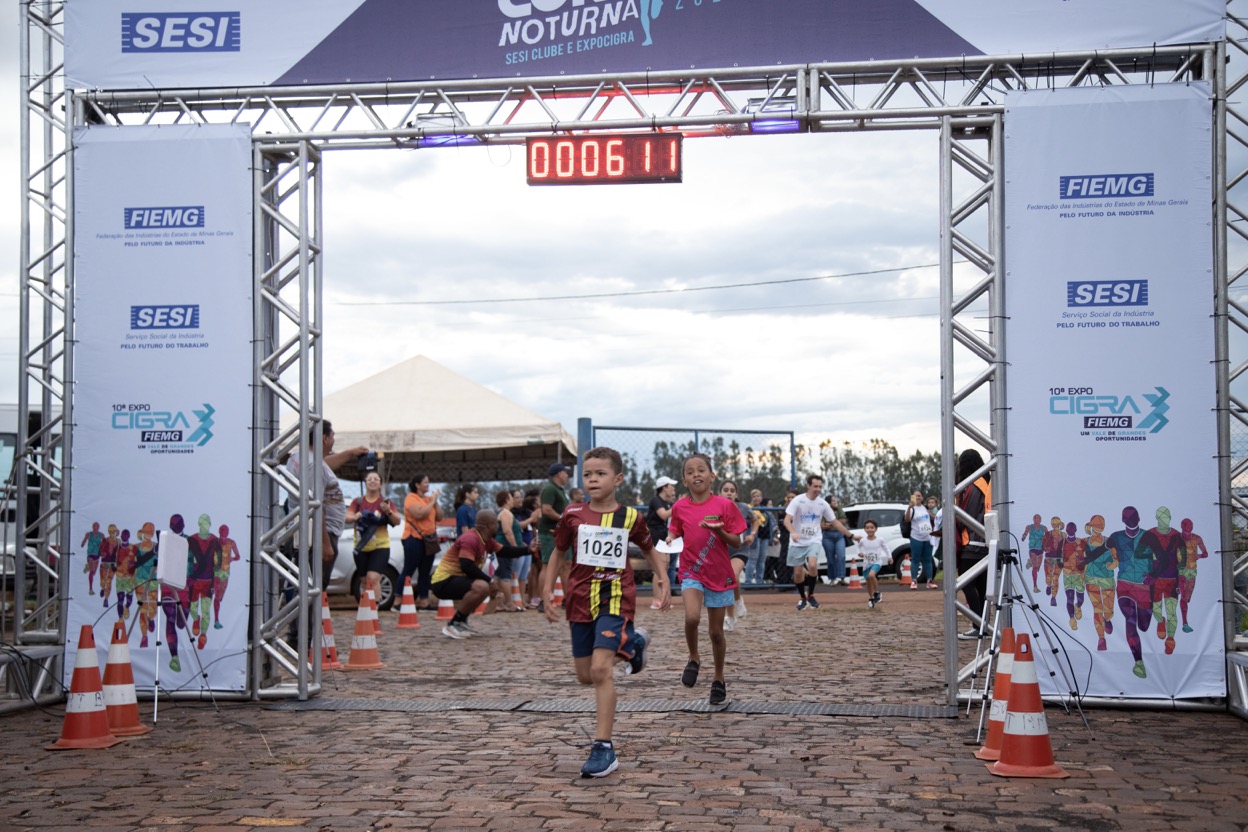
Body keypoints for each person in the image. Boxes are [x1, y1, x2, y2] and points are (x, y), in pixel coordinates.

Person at [542, 446, 669, 778]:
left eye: (601, 473)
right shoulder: (572, 514)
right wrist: (547, 589)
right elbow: (558, 553)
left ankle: (603, 747)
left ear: (618, 478)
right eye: (587, 474)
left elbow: (648, 548)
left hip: (615, 597)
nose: (593, 479)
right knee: (586, 675)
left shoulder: (631, 517)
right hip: (579, 600)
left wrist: (663, 577)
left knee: (601, 670)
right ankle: (634, 644)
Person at [666, 452, 745, 706]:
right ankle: (694, 657)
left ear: (712, 476)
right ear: (684, 480)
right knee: (691, 617)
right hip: (691, 570)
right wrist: (670, 539)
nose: (696, 475)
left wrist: (720, 531)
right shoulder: (679, 507)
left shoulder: (725, 506)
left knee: (716, 633)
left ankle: (719, 678)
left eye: (701, 470)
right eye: (690, 472)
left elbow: (737, 541)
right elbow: (675, 530)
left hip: (719, 574)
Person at [285, 420, 368, 592]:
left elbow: (325, 465)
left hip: (309, 532)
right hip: (318, 534)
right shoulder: (312, 465)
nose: (333, 440)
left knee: (307, 587)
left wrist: (350, 453)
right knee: (313, 589)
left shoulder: (299, 458)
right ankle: (309, 612)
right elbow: (314, 505)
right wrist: (325, 542)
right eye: (332, 436)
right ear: (324, 438)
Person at [431, 509, 532, 639]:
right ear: (489, 525)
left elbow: (505, 551)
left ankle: (461, 621)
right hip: (442, 582)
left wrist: (528, 549)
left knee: (483, 587)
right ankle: (453, 624)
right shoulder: (471, 538)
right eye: (496, 523)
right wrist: (490, 581)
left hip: (455, 579)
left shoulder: (486, 540)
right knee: (482, 586)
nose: (498, 526)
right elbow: (466, 565)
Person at [784, 475, 855, 609]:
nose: (817, 489)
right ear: (808, 486)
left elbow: (835, 522)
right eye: (815, 486)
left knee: (812, 565)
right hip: (797, 541)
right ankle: (802, 598)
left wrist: (851, 535)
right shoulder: (798, 500)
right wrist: (793, 532)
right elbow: (787, 520)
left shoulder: (823, 504)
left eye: (820, 487)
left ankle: (810, 595)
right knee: (798, 573)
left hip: (814, 539)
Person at [952, 449, 992, 639]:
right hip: (984, 541)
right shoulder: (986, 482)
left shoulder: (973, 485)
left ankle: (979, 626)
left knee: (967, 584)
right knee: (982, 588)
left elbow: (964, 515)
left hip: (973, 542)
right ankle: (984, 627)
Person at [346, 471, 401, 606]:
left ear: (380, 484)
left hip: (380, 547)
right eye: (369, 479)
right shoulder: (358, 502)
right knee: (365, 581)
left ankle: (374, 609)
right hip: (361, 547)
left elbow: (397, 521)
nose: (372, 481)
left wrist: (388, 511)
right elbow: (347, 517)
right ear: (365, 483)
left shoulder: (386, 502)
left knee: (373, 578)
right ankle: (369, 607)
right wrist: (355, 517)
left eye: (376, 479)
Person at [718, 480, 759, 631]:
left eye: (732, 490)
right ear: (719, 493)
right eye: (725, 490)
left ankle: (738, 600)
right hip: (721, 551)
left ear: (736, 494)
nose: (729, 493)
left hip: (740, 550)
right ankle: (730, 618)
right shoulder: (715, 508)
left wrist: (752, 534)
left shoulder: (743, 508)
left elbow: (755, 520)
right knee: (726, 584)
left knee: (732, 576)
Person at [401, 474, 442, 610]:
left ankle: (424, 601)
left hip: (428, 540)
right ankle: (397, 600)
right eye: (425, 482)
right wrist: (431, 502)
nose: (428, 485)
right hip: (413, 538)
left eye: (428, 482)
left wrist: (435, 501)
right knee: (408, 570)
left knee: (425, 572)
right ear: (417, 485)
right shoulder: (411, 498)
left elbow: (440, 517)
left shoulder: (429, 499)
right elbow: (419, 514)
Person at [536, 463, 573, 608]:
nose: (567, 475)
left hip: (562, 533)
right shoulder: (550, 489)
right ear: (558, 474)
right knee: (547, 565)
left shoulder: (559, 490)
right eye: (565, 472)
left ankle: (568, 599)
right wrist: (563, 519)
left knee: (566, 564)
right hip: (549, 533)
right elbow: (546, 509)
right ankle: (543, 600)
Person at [646, 476, 678, 608]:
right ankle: (656, 600)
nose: (673, 488)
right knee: (658, 568)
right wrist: (678, 506)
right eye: (671, 486)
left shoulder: (666, 502)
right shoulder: (656, 500)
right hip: (654, 536)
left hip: (663, 536)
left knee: (664, 566)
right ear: (664, 487)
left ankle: (662, 599)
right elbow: (663, 515)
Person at [492, 489, 525, 612]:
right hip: (505, 548)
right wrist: (515, 547)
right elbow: (507, 531)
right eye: (511, 498)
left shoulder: (500, 512)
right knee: (505, 575)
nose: (512, 500)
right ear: (506, 500)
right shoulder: (505, 513)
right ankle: (509, 603)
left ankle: (499, 603)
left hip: (500, 548)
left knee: (498, 575)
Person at [906, 490, 937, 590]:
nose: (918, 497)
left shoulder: (925, 508)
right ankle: (914, 581)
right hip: (916, 538)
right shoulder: (911, 509)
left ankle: (929, 581)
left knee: (928, 559)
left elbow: (935, 517)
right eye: (915, 496)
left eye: (919, 496)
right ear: (912, 498)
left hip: (928, 537)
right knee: (915, 559)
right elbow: (907, 519)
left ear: (922, 498)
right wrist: (909, 507)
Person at [858, 520, 891, 608]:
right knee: (868, 581)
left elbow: (886, 548)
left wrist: (889, 557)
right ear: (865, 529)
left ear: (876, 529)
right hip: (866, 564)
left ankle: (877, 592)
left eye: (872, 527)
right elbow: (858, 547)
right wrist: (859, 553)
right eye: (867, 528)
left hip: (877, 562)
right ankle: (871, 598)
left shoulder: (880, 539)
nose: (870, 529)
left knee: (871, 575)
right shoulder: (863, 540)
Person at [821, 494, 849, 586]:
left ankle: (842, 578)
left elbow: (843, 521)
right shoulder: (823, 511)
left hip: (839, 535)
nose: (835, 502)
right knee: (830, 558)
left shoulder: (839, 509)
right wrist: (836, 523)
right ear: (828, 502)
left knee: (841, 556)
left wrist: (830, 524)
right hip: (827, 537)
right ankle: (832, 579)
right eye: (833, 501)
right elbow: (822, 525)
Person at [747, 489, 771, 586]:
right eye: (754, 496)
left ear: (761, 497)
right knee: (753, 559)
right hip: (755, 536)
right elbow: (746, 522)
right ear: (751, 498)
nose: (756, 498)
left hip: (764, 536)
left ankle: (759, 581)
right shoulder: (749, 508)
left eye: (758, 496)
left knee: (762, 560)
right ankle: (748, 581)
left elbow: (771, 521)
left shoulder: (764, 509)